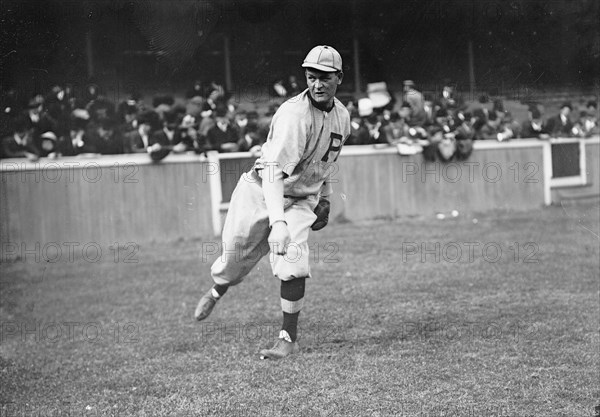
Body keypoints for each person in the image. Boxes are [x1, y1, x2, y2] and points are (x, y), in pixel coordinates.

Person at [194, 45, 351, 360]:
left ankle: (287, 338)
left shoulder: (342, 117)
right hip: (261, 188)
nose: (317, 84)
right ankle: (216, 290)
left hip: (302, 196)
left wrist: (326, 197)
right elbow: (273, 173)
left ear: (339, 78)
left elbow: (325, 162)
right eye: (311, 77)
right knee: (236, 256)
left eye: (325, 78)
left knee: (293, 262)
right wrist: (277, 222)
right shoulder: (294, 114)